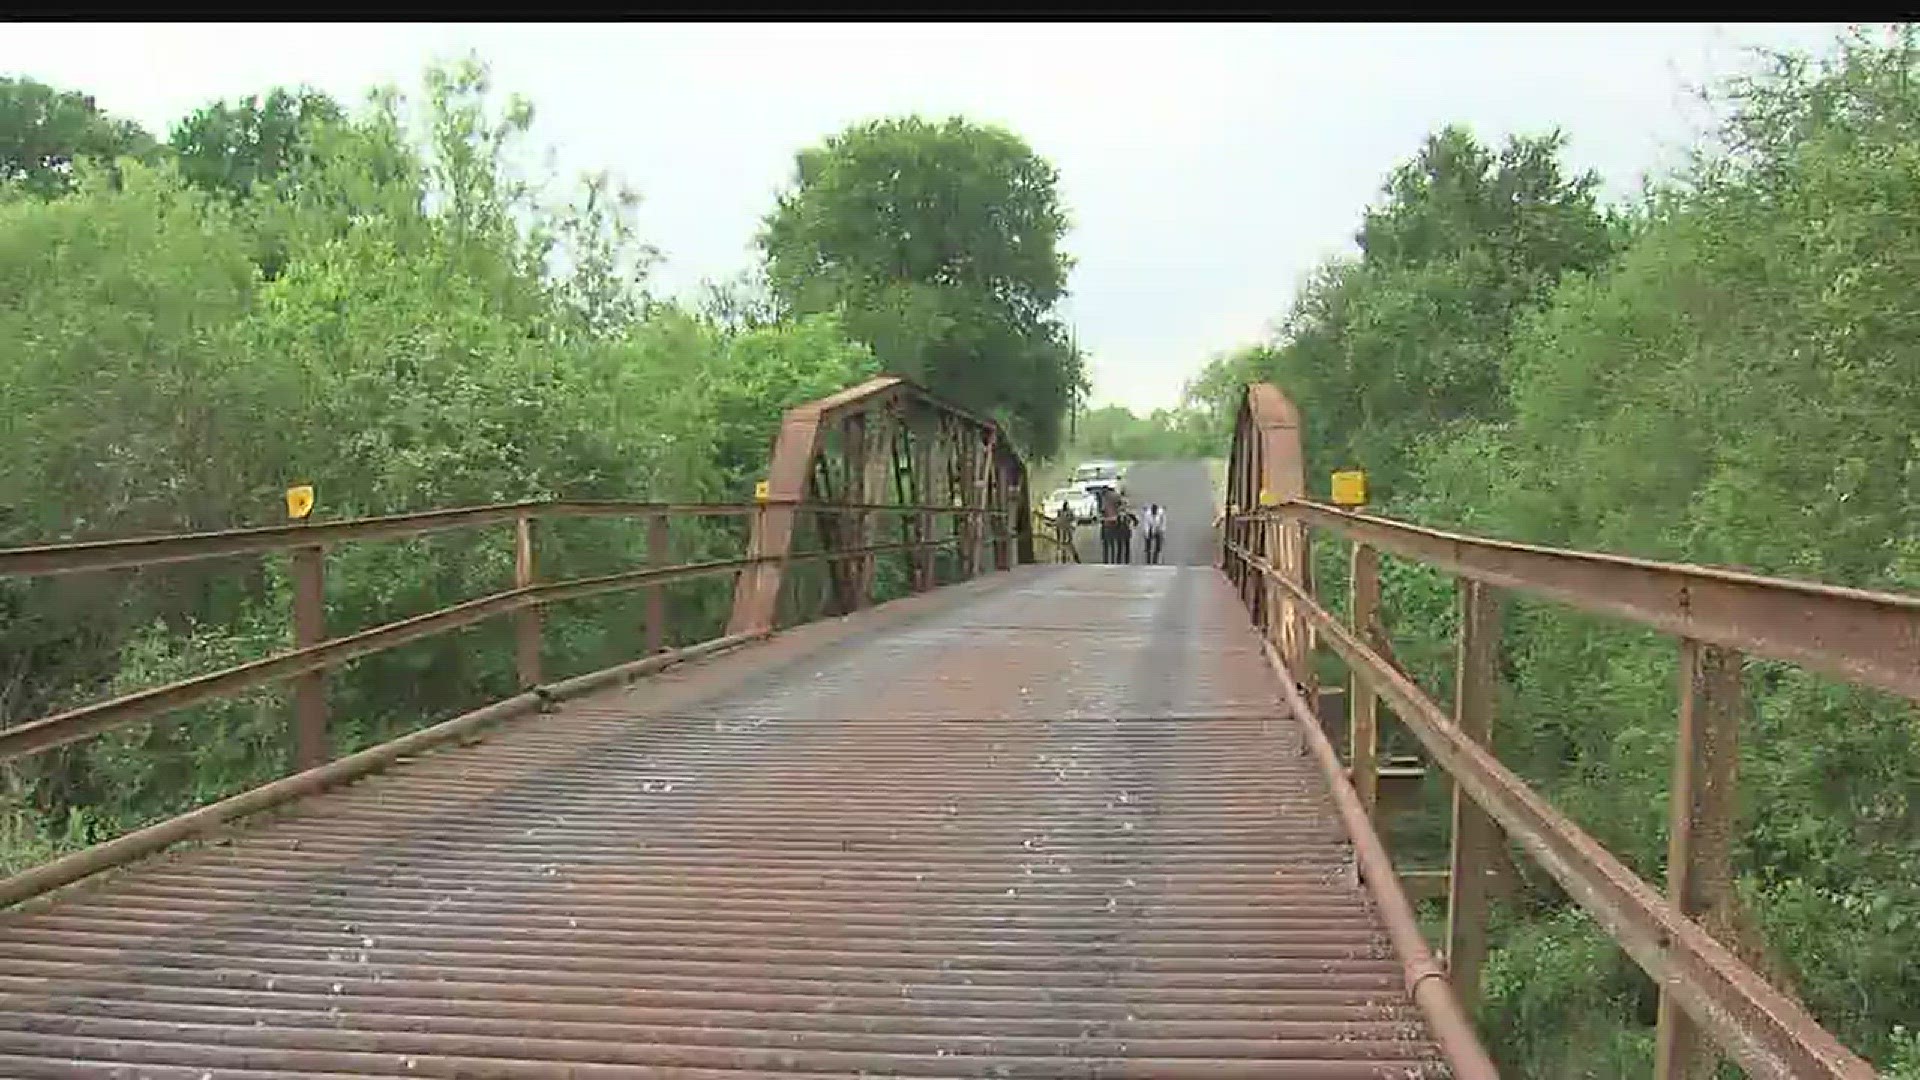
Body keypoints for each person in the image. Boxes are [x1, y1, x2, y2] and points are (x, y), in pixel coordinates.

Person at [1096, 486, 1121, 563]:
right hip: (1110, 526)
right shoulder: (1111, 504)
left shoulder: (1107, 504)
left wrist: (1104, 518)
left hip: (1108, 526)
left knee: (1108, 545)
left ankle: (1108, 561)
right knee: (1110, 544)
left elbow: (1102, 514)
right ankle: (1110, 561)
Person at [1115, 499, 1138, 564]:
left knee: (1127, 547)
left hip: (1126, 531)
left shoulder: (1129, 515)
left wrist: (1132, 526)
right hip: (1119, 532)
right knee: (1120, 547)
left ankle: (1126, 561)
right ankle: (1118, 561)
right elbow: (1115, 523)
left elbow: (1136, 521)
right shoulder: (1118, 515)